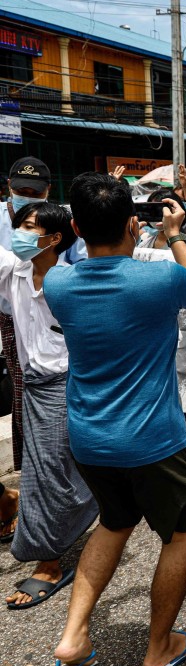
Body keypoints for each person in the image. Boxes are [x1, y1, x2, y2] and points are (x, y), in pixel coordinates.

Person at [45, 172, 186, 666]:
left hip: (89, 438)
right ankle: (159, 647)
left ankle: (73, 639)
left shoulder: (58, 282)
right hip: (154, 440)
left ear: (75, 226)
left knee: (114, 522)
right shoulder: (159, 279)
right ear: (133, 224)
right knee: (179, 535)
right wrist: (177, 234)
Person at [2, 202, 98, 610]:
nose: (18, 234)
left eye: (27, 227)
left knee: (47, 474)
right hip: (33, 387)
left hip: (69, 384)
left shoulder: (71, 282)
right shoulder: (12, 275)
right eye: (17, 226)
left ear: (54, 238)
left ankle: (49, 563)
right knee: (51, 469)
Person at [1, 156, 52, 473]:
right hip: (10, 321)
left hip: (51, 318)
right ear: (9, 187)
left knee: (52, 398)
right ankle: (34, 473)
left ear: (47, 191)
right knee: (22, 403)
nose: (28, 197)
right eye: (22, 190)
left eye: (35, 192)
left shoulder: (58, 220)